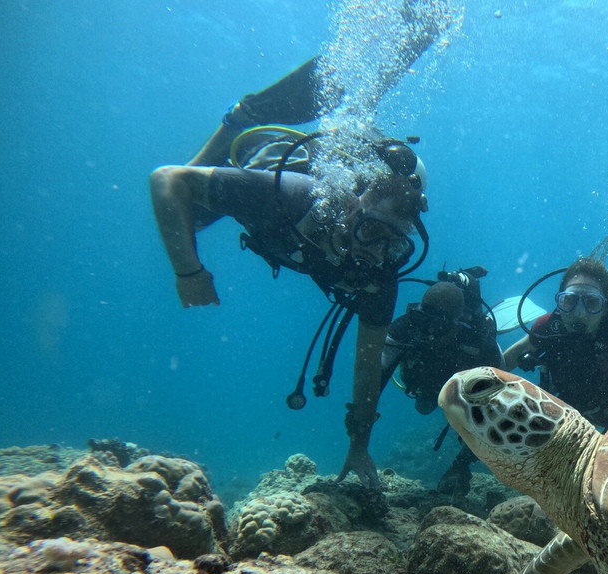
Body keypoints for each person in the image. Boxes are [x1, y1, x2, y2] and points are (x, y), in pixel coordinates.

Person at [149, 26, 436, 489]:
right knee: (194, 219)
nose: (374, 252)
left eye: (393, 244)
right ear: (349, 206)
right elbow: (166, 180)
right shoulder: (289, 195)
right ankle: (242, 118)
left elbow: (366, 369)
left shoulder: (380, 275)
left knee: (196, 217)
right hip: (265, 171)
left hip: (285, 226)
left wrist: (359, 445)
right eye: (370, 231)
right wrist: (189, 271)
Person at [378, 267, 505, 494]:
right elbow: (375, 375)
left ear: (460, 322)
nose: (429, 332)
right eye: (424, 320)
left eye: (440, 325)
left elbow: (494, 414)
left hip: (464, 395)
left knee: (474, 416)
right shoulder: (405, 327)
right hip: (425, 388)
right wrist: (359, 433)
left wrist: (462, 464)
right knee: (424, 407)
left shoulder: (482, 346)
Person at [502, 258, 608, 430]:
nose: (579, 313)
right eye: (570, 301)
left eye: (592, 303)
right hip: (570, 407)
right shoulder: (547, 328)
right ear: (558, 302)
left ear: (605, 308)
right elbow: (501, 365)